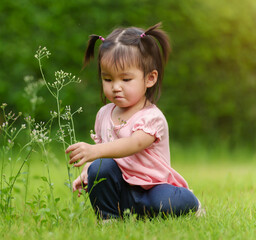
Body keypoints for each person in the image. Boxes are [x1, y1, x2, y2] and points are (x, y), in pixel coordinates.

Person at [66, 23, 202, 219]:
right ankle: (109, 219)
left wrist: (94, 151)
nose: (116, 87)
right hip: (122, 190)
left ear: (150, 78)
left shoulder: (151, 117)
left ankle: (191, 203)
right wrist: (88, 170)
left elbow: (133, 144)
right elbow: (103, 155)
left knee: (162, 203)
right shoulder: (104, 114)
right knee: (99, 168)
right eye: (108, 79)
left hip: (153, 189)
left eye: (126, 79)